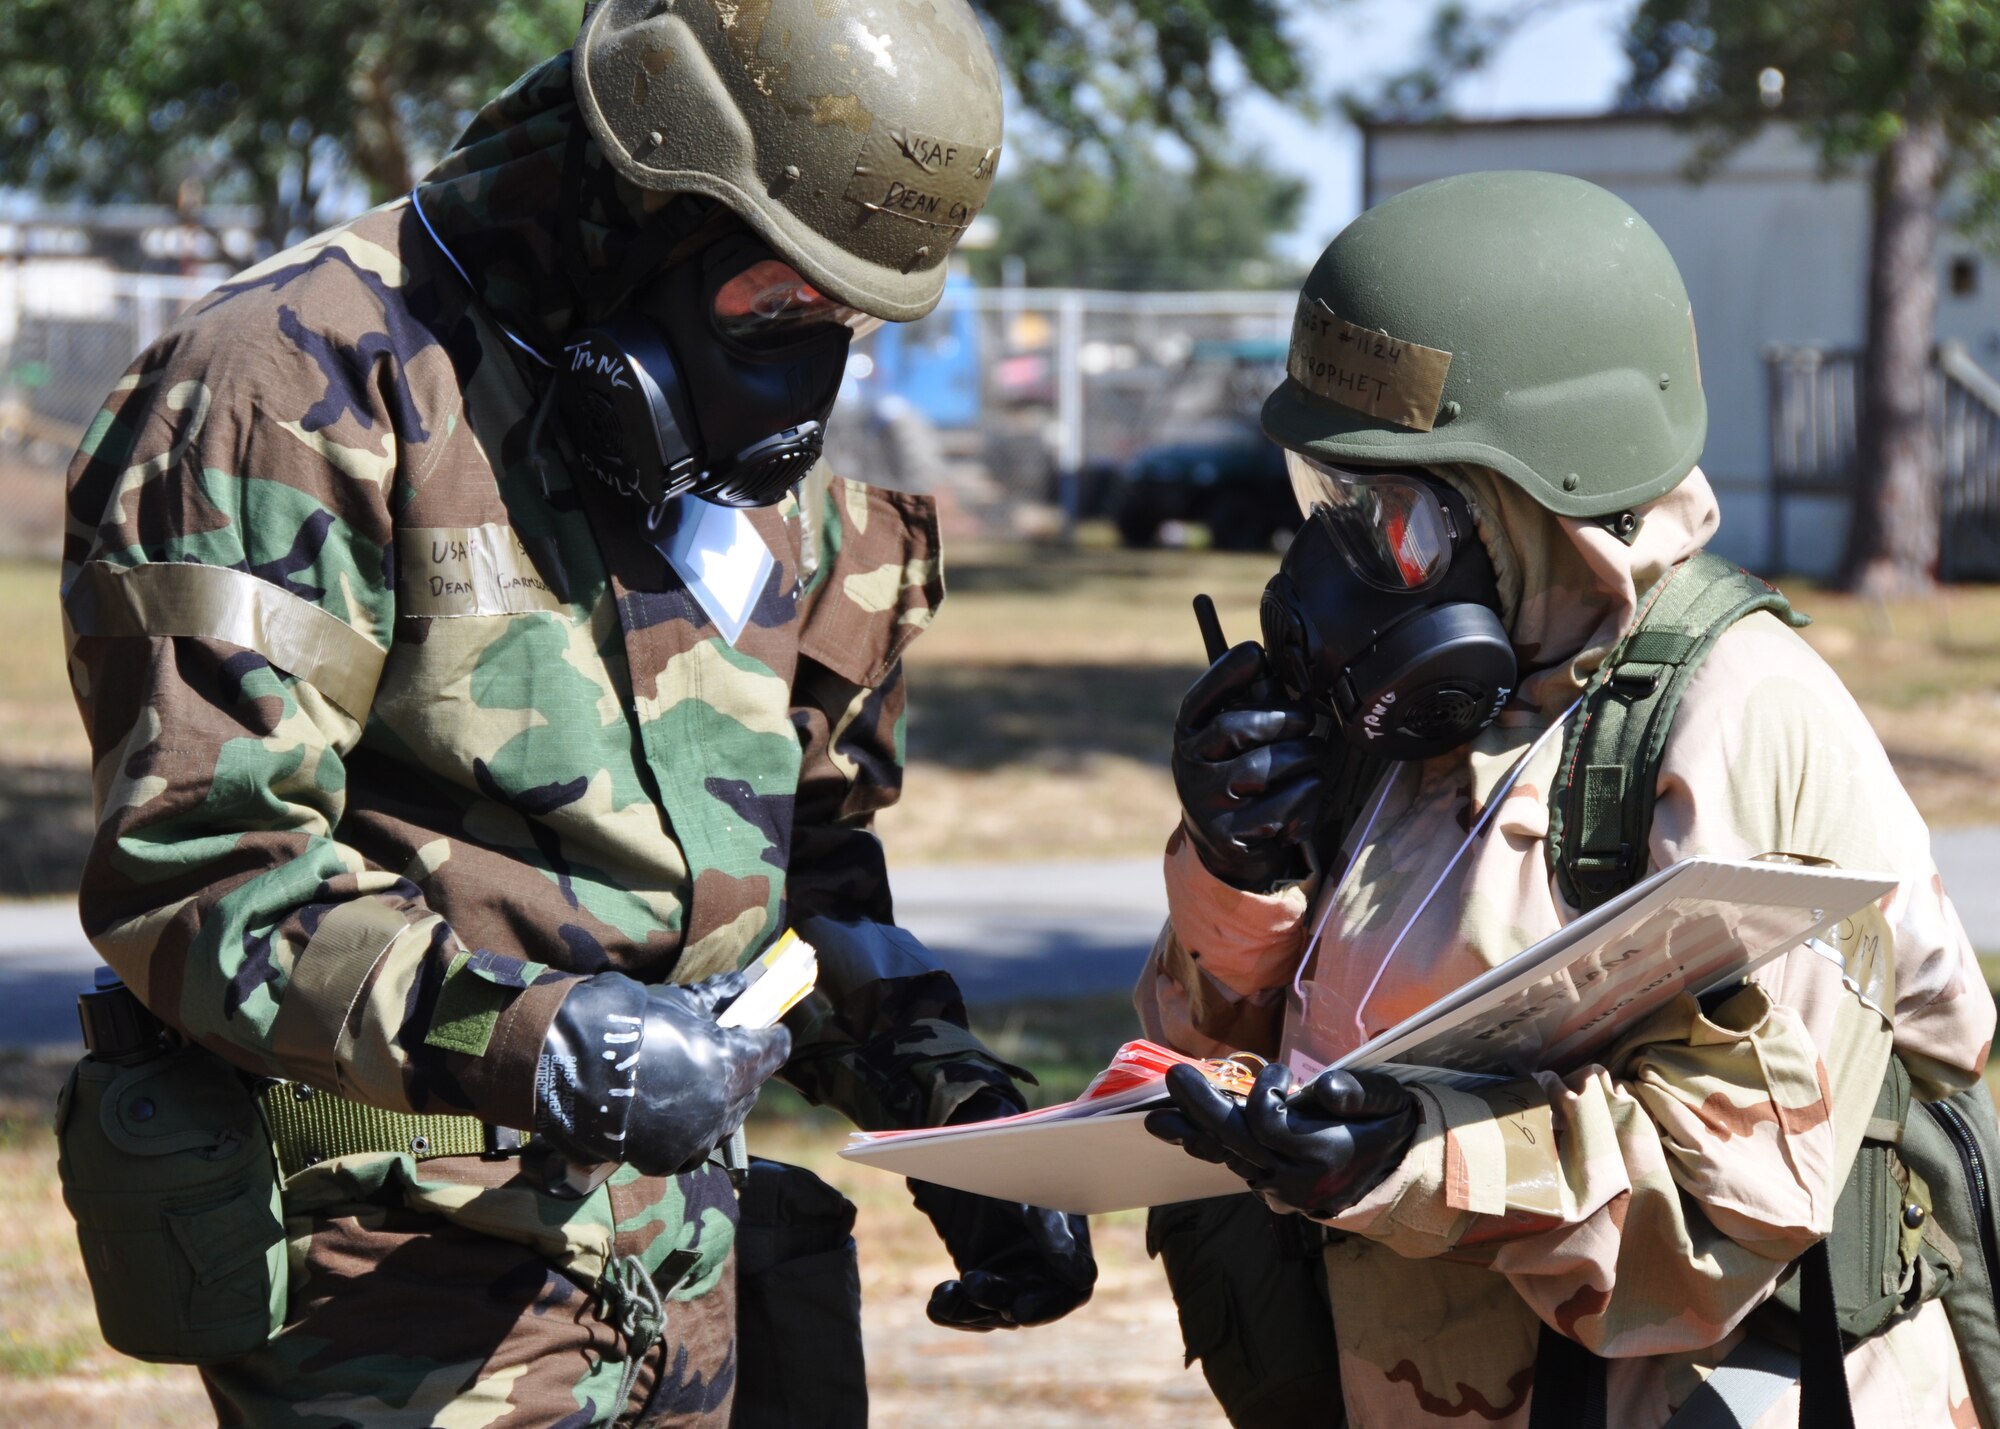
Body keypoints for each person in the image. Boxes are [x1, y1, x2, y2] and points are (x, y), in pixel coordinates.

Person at [57, 0, 1092, 1423]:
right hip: (410, 1305)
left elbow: (804, 868)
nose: (805, 381)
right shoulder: (290, 386)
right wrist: (545, 1042)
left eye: (841, 318)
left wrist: (965, 1119)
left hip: (696, 1290)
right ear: (640, 202)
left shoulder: (750, 449)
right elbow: (201, 876)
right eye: (772, 303)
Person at [1137, 169, 1993, 1427]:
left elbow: (1728, 1213)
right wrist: (1238, 873)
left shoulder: (1738, 714)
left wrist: (1405, 1157)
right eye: (1326, 498)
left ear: (1544, 495)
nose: (1338, 561)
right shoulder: (1415, 712)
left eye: (1389, 513)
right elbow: (1203, 1058)